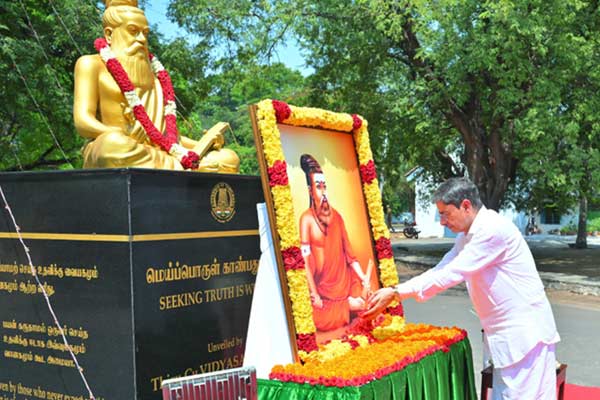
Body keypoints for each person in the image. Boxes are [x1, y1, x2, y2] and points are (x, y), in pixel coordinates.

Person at [364, 177, 560, 400]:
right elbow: (443, 266)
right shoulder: (468, 235)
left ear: (466, 205)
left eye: (445, 213)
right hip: (510, 338)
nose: (442, 222)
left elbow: (452, 273)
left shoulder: (492, 230)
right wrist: (396, 290)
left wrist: (397, 293)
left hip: (525, 337)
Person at [73, 0, 239, 173]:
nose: (141, 39)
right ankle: (182, 168)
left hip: (156, 152)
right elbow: (83, 122)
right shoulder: (90, 64)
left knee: (228, 158)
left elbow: (167, 138)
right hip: (117, 148)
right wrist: (119, 133)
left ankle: (182, 167)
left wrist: (204, 143)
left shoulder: (156, 75)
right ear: (109, 34)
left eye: (145, 33)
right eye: (133, 31)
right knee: (112, 145)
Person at [299, 154, 373, 333]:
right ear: (311, 191)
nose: (323, 192)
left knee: (367, 300)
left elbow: (351, 256)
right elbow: (305, 262)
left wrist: (363, 278)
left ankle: (351, 305)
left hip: (345, 287)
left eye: (325, 187)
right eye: (318, 187)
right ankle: (349, 307)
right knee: (317, 318)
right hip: (323, 293)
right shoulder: (306, 220)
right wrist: (314, 294)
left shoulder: (337, 217)